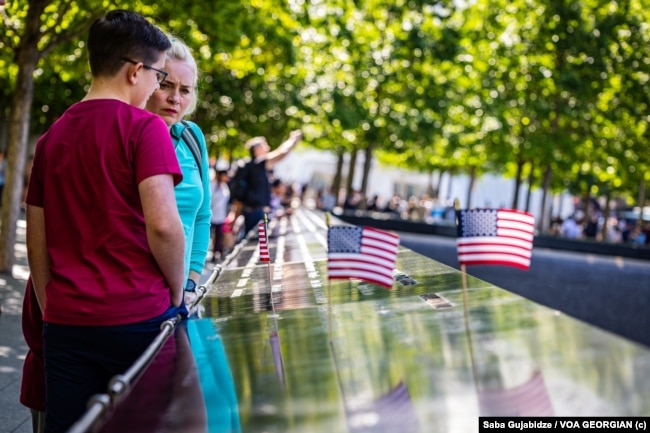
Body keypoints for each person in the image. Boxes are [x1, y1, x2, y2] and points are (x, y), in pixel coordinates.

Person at [24, 10, 185, 433]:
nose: (157, 87)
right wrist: (175, 291)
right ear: (136, 71)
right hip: (137, 316)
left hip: (65, 323)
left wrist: (51, 307)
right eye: (158, 76)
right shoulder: (145, 128)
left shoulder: (51, 137)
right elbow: (165, 225)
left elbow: (35, 237)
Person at [145, 37, 211, 298]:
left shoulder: (192, 137)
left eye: (185, 90)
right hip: (135, 297)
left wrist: (192, 281)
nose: (175, 98)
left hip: (180, 296)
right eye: (166, 85)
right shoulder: (125, 135)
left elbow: (202, 216)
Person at [233, 130, 302, 236]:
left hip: (252, 212)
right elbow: (282, 153)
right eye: (264, 145)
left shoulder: (252, 166)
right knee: (256, 243)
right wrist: (292, 139)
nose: (268, 147)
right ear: (257, 150)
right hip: (256, 213)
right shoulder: (259, 163)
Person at [210, 169, 231, 263]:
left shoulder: (224, 186)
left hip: (221, 215)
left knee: (219, 235)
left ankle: (218, 252)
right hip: (212, 215)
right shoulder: (213, 185)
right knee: (211, 235)